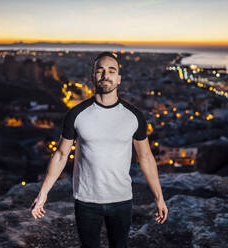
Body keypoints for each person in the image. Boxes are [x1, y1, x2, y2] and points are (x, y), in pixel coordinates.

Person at [31, 52, 168, 248]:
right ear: (93, 76)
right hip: (86, 200)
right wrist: (43, 193)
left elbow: (146, 157)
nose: (106, 75)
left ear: (119, 78)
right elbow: (61, 155)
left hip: (122, 199)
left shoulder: (134, 116)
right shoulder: (76, 114)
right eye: (100, 71)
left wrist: (159, 198)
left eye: (111, 71)